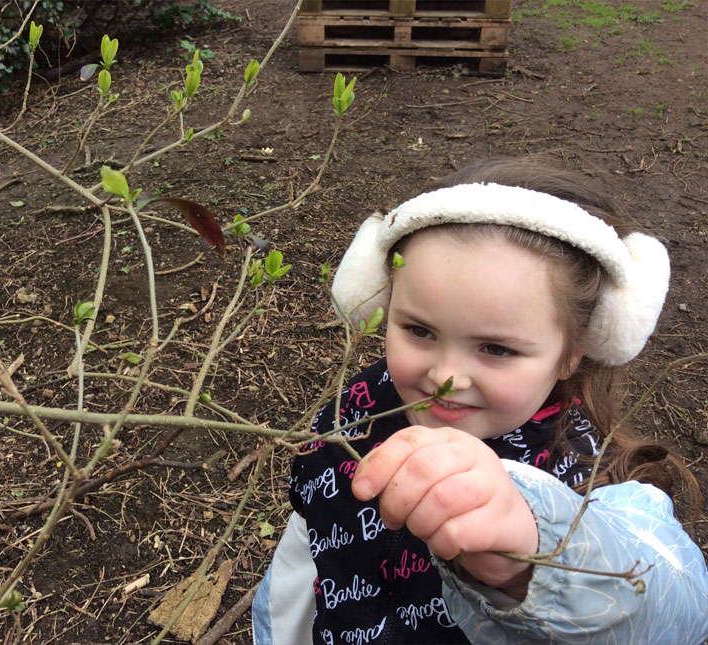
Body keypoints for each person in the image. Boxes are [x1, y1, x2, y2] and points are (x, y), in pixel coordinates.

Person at [251, 158, 708, 644]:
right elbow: (304, 561)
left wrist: (534, 553)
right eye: (419, 331)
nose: (445, 376)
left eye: (496, 349)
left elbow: (679, 609)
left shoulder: (588, 475)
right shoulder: (359, 412)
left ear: (573, 352)